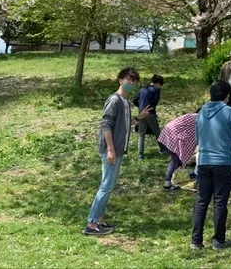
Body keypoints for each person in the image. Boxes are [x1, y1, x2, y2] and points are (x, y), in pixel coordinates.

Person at [84, 67, 151, 235]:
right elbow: (106, 124)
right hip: (111, 150)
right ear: (120, 80)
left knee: (109, 185)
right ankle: (91, 225)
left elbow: (124, 123)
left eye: (134, 81)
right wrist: (110, 149)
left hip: (118, 149)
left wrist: (138, 118)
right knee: (106, 186)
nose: (131, 83)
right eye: (128, 80)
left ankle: (100, 220)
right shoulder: (114, 100)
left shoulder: (125, 102)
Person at [191, 80, 231, 251]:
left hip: (204, 161)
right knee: (220, 202)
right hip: (223, 162)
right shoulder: (230, 112)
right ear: (227, 96)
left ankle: (196, 241)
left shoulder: (201, 112)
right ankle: (218, 241)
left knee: (201, 201)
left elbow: (197, 138)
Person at [157, 108, 199, 190]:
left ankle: (174, 178)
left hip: (169, 131)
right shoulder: (198, 119)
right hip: (173, 135)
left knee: (178, 159)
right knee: (175, 159)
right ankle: (167, 182)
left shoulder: (192, 116)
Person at [133, 74, 165, 159]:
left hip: (141, 113)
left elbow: (134, 100)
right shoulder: (156, 89)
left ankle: (140, 154)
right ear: (158, 83)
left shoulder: (143, 89)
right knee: (157, 132)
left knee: (141, 134)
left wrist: (141, 107)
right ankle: (162, 148)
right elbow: (155, 102)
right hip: (150, 113)